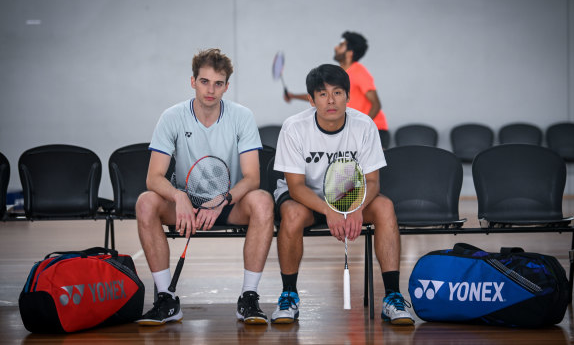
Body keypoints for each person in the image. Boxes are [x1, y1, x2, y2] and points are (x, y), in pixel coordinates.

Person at [135, 48, 274, 326]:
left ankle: (248, 297)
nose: (211, 90)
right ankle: (166, 299)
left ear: (226, 86)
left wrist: (223, 199)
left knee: (262, 200)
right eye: (204, 81)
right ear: (192, 81)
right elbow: (154, 177)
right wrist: (179, 196)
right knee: (145, 201)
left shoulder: (241, 116)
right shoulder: (172, 117)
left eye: (218, 83)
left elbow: (251, 178)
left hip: (228, 203)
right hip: (185, 205)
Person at [271, 64, 413, 325]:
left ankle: (393, 296)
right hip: (307, 198)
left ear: (348, 96)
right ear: (312, 100)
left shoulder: (364, 126)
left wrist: (356, 207)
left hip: (351, 197)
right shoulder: (294, 127)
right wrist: (330, 210)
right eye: (322, 94)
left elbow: (373, 181)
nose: (331, 100)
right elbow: (296, 187)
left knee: (384, 207)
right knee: (290, 214)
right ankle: (288, 295)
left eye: (338, 93)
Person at [283, 31, 389, 134]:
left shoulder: (359, 72)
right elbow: (320, 95)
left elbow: (376, 104)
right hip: (354, 130)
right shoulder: (339, 74)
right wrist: (293, 96)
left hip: (376, 130)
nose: (336, 47)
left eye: (341, 45)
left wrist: (363, 127)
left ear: (349, 53)